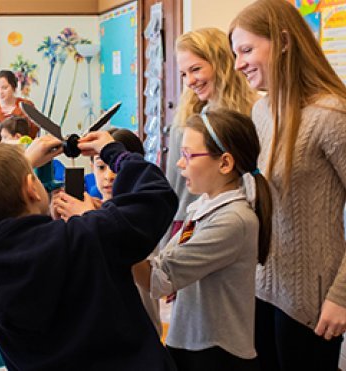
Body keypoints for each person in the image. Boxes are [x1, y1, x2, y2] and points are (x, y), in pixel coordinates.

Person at [229, 1, 346, 370]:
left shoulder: (334, 115)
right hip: (260, 289)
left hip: (310, 302)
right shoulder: (261, 111)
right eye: (235, 53)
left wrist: (343, 294)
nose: (238, 64)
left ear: (284, 42)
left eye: (247, 50)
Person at [0, 134, 178, 370]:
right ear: (31, 189)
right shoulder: (86, 237)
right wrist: (114, 152)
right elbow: (157, 196)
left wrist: (17, 168)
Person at [134, 109, 271, 371]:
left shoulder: (232, 221)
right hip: (192, 341)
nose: (179, 163)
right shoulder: (204, 205)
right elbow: (168, 263)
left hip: (215, 354)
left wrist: (108, 232)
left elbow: (158, 279)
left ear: (225, 163)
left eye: (188, 155)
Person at [51, 128, 162, 336]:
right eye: (101, 167)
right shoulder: (89, 211)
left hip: (140, 332)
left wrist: (95, 223)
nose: (108, 177)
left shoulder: (141, 218)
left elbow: (147, 282)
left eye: (116, 168)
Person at [163, 28, 257, 244]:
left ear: (221, 64)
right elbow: (174, 183)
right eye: (184, 74)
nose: (189, 81)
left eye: (195, 69)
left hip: (232, 221)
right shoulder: (187, 118)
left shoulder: (253, 114)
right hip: (189, 218)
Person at [0, 70, 39, 138]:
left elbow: (35, 129)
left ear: (14, 87)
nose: (0, 92)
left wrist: (18, 113)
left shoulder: (26, 104)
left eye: (4, 88)